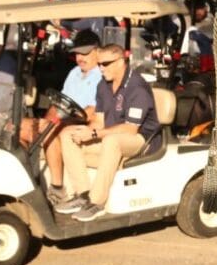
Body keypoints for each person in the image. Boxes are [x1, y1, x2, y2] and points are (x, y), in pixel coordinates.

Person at [55, 43, 160, 222]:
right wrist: (87, 130)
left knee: (111, 141)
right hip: (112, 135)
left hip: (141, 139)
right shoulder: (104, 85)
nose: (101, 68)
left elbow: (130, 128)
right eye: (99, 64)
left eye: (105, 64)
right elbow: (99, 120)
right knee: (68, 134)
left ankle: (97, 202)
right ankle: (84, 194)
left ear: (121, 62)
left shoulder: (137, 88)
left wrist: (95, 134)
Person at [41, 30, 104, 200]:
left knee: (59, 132)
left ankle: (60, 188)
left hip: (88, 125)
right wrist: (45, 121)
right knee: (30, 126)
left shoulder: (102, 76)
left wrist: (59, 122)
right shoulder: (74, 73)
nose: (80, 58)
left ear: (98, 52)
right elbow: (59, 102)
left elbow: (92, 112)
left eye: (85, 53)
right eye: (77, 53)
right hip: (68, 119)